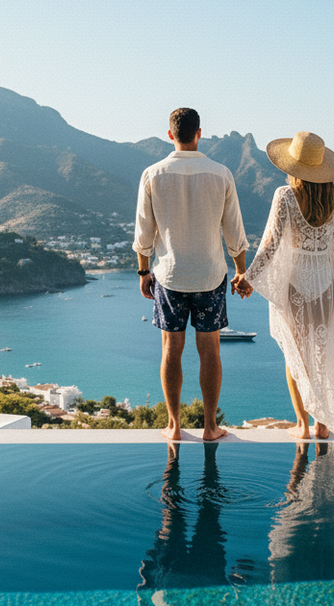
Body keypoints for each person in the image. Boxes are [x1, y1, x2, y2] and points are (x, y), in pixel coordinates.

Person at [134, 107, 249, 442]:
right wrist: (241, 271)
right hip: (211, 276)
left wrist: (143, 272)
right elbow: (235, 232)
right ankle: (211, 426)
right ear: (200, 133)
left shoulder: (153, 174)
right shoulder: (221, 173)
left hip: (169, 277)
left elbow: (143, 234)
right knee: (210, 351)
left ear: (170, 135)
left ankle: (174, 426)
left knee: (171, 349)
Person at [239, 131, 334, 440]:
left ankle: (302, 425)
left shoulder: (285, 196)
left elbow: (270, 245)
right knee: (323, 355)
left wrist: (248, 278)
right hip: (327, 285)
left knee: (296, 356)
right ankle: (323, 425)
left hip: (295, 287)